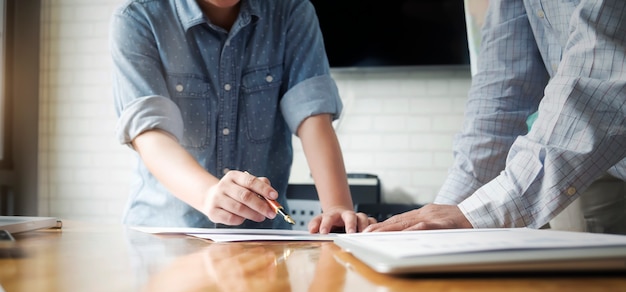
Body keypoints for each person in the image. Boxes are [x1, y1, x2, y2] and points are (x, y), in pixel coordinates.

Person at [110, 0, 374, 234]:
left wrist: (337, 206)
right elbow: (150, 134)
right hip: (164, 236)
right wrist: (208, 194)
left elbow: (313, 115)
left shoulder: (292, 11)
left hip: (265, 242)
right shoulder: (137, 17)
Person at [365, 0, 626, 233]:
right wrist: (441, 213)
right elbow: (502, 87)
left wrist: (475, 213)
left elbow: (601, 75)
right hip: (590, 165)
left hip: (583, 146)